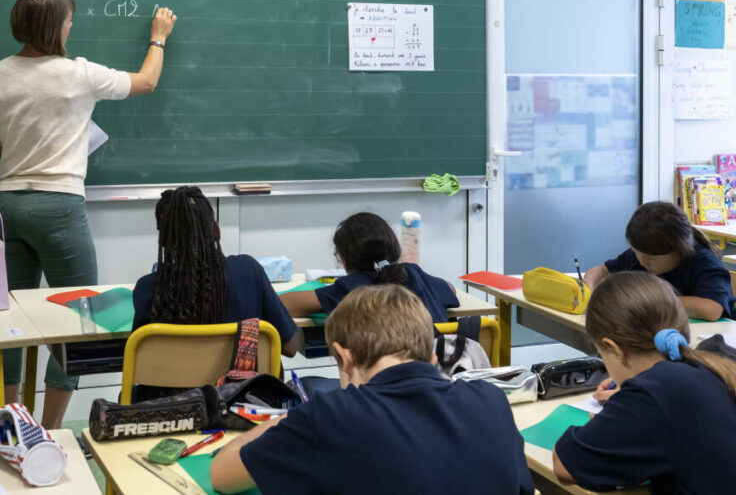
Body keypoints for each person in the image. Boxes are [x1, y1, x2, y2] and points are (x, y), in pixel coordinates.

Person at [0, 0, 177, 428]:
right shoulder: (79, 73)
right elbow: (147, 82)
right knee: (79, 321)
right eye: (68, 21)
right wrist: (158, 37)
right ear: (56, 27)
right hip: (58, 206)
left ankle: (11, 426)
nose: (72, 26)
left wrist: (24, 135)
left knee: (6, 317)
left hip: (6, 206)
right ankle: (51, 430)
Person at [210, 284, 534, 494]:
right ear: (433, 354)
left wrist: (287, 421)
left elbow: (222, 476)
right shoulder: (491, 401)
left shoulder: (330, 416)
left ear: (346, 358)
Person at [553, 271, 736, 493]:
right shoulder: (715, 358)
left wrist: (622, 412)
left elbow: (565, 465)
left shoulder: (656, 393)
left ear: (612, 348)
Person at [132, 186, 298, 356]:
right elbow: (290, 347)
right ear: (216, 231)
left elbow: (140, 356)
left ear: (164, 241)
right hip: (241, 383)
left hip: (170, 382)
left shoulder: (149, 288)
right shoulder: (247, 271)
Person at [279, 211, 458, 323]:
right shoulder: (414, 272)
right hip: (438, 375)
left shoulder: (351, 289)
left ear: (342, 257)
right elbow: (451, 290)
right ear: (394, 248)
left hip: (383, 381)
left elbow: (281, 305)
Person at [584, 201, 734, 321]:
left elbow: (712, 309)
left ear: (677, 251)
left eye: (650, 259)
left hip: (711, 342)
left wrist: (647, 301)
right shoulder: (643, 251)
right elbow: (601, 271)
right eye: (638, 255)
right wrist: (588, 287)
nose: (643, 263)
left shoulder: (702, 261)